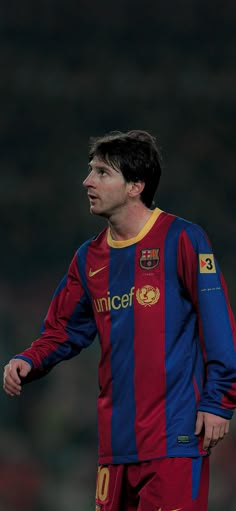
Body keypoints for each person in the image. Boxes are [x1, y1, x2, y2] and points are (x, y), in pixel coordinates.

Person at [3, 130, 236, 511]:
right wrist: (31, 358)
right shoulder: (88, 257)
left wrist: (218, 402)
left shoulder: (183, 239)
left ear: (135, 186)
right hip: (115, 445)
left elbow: (218, 325)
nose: (87, 181)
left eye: (101, 172)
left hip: (175, 438)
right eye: (90, 171)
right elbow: (64, 328)